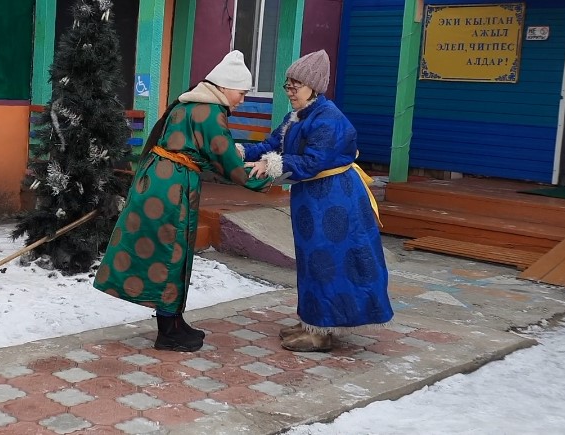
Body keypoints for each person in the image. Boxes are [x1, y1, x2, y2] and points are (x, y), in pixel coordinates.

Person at [93, 51, 273, 352]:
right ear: (225, 87)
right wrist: (264, 177)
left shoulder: (189, 102)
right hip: (172, 189)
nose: (242, 100)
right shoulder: (210, 111)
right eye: (241, 93)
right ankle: (168, 332)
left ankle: (174, 321)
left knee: (169, 253)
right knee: (171, 256)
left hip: (160, 181)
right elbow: (226, 159)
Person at [243, 49, 393, 352]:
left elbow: (314, 161)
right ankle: (311, 321)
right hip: (312, 199)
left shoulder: (329, 118)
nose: (290, 92)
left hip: (334, 200)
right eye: (287, 85)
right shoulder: (298, 115)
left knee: (327, 260)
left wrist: (270, 164)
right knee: (311, 260)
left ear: (314, 87)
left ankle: (321, 331)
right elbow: (272, 144)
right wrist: (239, 152)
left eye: (295, 86)